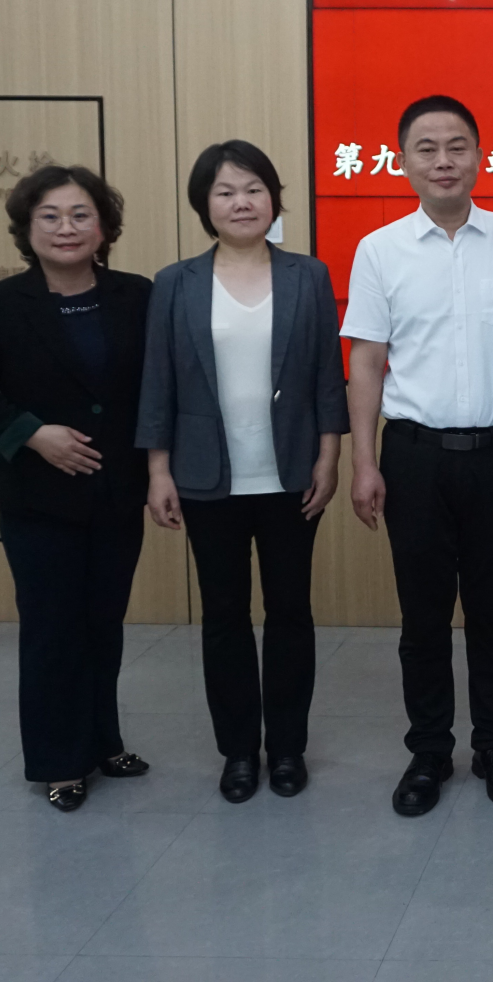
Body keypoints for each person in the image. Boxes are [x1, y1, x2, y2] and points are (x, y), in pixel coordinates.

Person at [345, 95, 493, 817]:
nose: (443, 160)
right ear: (403, 161)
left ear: (480, 156)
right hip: (414, 458)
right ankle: (429, 749)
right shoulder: (380, 249)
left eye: (456, 146)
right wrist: (364, 462)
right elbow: (365, 361)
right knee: (423, 617)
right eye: (426, 148)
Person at [136, 140, 346, 804]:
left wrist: (329, 456)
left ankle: (286, 747)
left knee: (290, 612)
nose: (241, 202)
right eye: (225, 191)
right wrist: (158, 470)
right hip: (206, 477)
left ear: (274, 199)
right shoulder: (176, 282)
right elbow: (158, 382)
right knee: (223, 614)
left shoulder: (309, 275)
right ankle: (237, 750)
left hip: (290, 474)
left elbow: (327, 375)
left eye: (254, 188)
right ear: (205, 204)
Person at [0, 165, 152, 812]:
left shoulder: (137, 295)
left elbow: (155, 386)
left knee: (103, 625)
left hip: (117, 490)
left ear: (104, 227)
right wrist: (33, 434)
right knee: (51, 629)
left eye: (81, 214)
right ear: (27, 228)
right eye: (51, 216)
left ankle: (104, 741)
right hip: (38, 496)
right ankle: (60, 760)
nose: (67, 227)